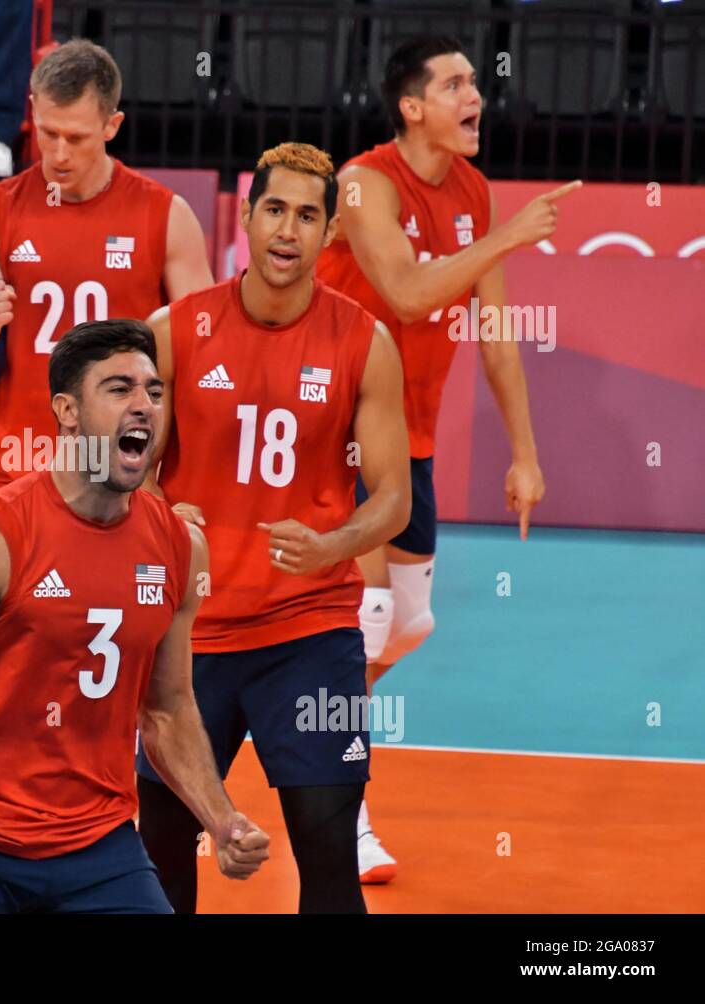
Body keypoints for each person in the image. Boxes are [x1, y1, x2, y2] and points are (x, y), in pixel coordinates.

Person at [0, 319, 270, 913]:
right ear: (67, 411)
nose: (144, 405)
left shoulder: (178, 547)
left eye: (154, 392)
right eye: (119, 389)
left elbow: (167, 708)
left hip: (99, 849)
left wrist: (222, 822)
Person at [316, 35, 576, 882]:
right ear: (412, 106)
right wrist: (506, 241)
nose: (478, 96)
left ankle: (289, 708)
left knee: (409, 623)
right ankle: (342, 816)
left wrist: (525, 454)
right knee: (364, 624)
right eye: (457, 84)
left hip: (411, 441)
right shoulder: (363, 183)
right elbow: (406, 291)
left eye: (476, 83)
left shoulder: (472, 189)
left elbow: (494, 334)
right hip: (338, 430)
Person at [134, 143, 411, 914]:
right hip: (190, 637)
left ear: (329, 234)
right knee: (160, 844)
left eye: (309, 215)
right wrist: (155, 510)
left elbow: (393, 498)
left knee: (327, 839)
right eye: (276, 210)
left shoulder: (364, 342)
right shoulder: (175, 330)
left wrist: (333, 546)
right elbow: (125, 464)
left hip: (309, 629)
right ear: (248, 218)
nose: (289, 230)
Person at [0, 38, 213, 496]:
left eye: (76, 138)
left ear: (112, 125)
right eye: (47, 132)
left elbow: (199, 365)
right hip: (19, 470)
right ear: (32, 108)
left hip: (119, 474)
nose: (58, 154)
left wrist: (164, 471)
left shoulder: (166, 217)